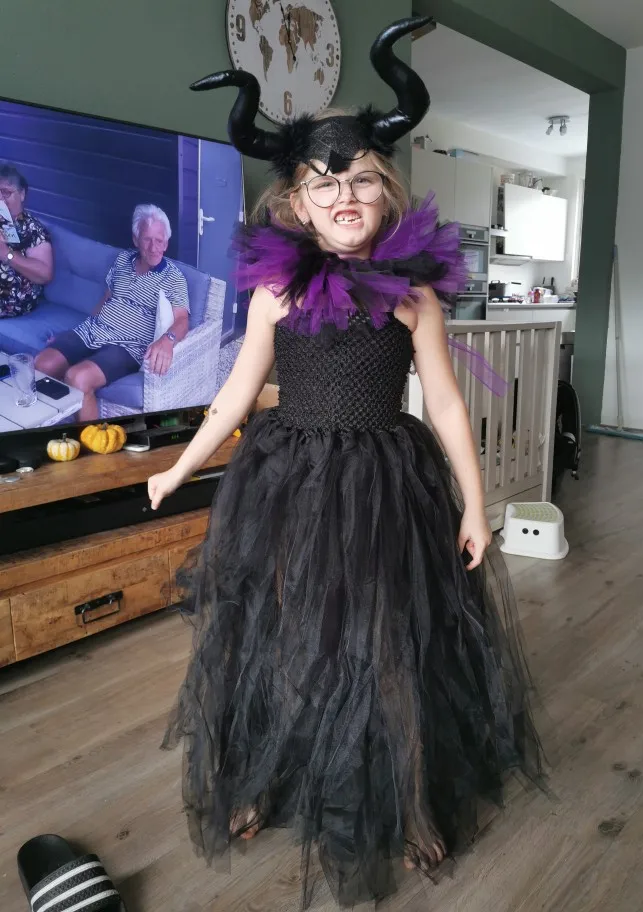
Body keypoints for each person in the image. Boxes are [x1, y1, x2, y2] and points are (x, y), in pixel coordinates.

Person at [148, 16, 544, 908]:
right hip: (287, 481)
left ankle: (410, 801)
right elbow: (236, 396)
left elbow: (447, 404)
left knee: (386, 641)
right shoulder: (274, 292)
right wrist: (180, 468)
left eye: (361, 179)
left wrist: (475, 505)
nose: (345, 197)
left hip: (384, 483)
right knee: (286, 639)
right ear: (297, 203)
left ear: (385, 191)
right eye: (325, 185)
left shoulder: (414, 296)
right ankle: (266, 776)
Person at [35, 204, 190, 421]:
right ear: (136, 240)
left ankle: (90, 440)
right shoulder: (122, 260)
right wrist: (73, 334)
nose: (154, 247)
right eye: (147, 239)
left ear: (166, 242)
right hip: (93, 331)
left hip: (127, 346)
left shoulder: (173, 278)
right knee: (42, 364)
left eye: (160, 240)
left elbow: (182, 319)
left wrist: (167, 340)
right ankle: (54, 422)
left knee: (77, 378)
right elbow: (107, 299)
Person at [0, 164, 54, 318]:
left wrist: (6, 254)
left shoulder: (33, 229)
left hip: (10, 298)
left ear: (22, 194)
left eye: (6, 192)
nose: (0, 199)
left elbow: (44, 274)